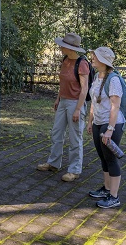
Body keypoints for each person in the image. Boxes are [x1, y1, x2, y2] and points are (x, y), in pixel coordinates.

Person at [37, 33, 90, 182]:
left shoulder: (82, 63)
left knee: (75, 138)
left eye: (63, 45)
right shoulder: (65, 60)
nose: (60, 47)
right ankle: (53, 163)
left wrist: (78, 109)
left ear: (70, 48)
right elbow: (63, 83)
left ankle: (74, 170)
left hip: (75, 103)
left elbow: (84, 89)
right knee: (56, 133)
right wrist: (58, 98)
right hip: (63, 101)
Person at [86, 46, 124, 208]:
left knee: (111, 159)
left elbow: (115, 106)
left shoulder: (113, 80)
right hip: (98, 123)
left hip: (112, 124)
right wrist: (90, 121)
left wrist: (110, 129)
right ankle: (106, 189)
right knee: (103, 158)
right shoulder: (96, 76)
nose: (92, 58)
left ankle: (114, 197)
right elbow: (94, 101)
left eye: (95, 56)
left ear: (103, 60)